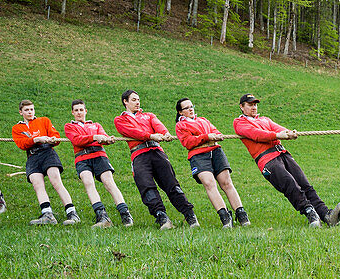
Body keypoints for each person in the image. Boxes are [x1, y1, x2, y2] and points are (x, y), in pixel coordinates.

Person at [233, 93, 340, 228]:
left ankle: (326, 214)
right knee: (291, 185)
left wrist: (288, 132)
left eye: (255, 105)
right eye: (250, 105)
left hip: (283, 154)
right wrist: (277, 135)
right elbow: (256, 134)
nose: (254, 107)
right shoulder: (239, 123)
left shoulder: (264, 119)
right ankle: (310, 213)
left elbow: (277, 128)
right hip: (267, 160)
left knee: (305, 184)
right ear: (241, 107)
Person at [113, 90, 199, 230]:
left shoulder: (148, 116)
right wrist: (151, 136)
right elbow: (132, 132)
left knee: (171, 184)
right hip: (139, 154)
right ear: (125, 102)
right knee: (146, 186)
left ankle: (189, 214)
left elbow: (158, 125)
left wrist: (165, 133)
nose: (137, 102)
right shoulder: (120, 120)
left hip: (157, 152)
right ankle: (162, 217)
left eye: (138, 99)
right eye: (134, 100)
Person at [175, 97, 251, 228]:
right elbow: (188, 142)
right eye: (186, 108)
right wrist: (206, 137)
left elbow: (214, 130)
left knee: (226, 183)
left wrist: (216, 135)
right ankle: (225, 217)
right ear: (181, 112)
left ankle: (241, 213)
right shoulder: (180, 125)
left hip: (215, 152)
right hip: (198, 155)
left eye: (191, 106)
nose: (190, 109)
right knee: (209, 184)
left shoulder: (203, 120)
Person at [64, 99, 134, 228]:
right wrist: (94, 138)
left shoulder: (95, 125)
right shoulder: (69, 126)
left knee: (109, 183)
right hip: (82, 158)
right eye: (76, 110)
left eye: (81, 110)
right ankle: (102, 217)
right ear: (72, 113)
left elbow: (103, 136)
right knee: (88, 182)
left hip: (99, 155)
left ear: (85, 111)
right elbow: (77, 140)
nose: (79, 113)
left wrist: (108, 140)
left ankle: (125, 214)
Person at [11, 100, 80, 226]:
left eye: (31, 109)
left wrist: (53, 139)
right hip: (32, 156)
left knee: (56, 181)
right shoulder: (17, 128)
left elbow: (56, 136)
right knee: (37, 184)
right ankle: (47, 214)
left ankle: (72, 213)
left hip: (47, 152)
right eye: (26, 110)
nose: (30, 112)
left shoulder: (44, 121)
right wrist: (36, 139)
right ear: (21, 112)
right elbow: (21, 144)